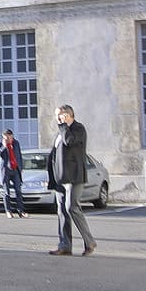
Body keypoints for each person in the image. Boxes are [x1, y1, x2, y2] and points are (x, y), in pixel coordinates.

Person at [46, 104, 96, 256]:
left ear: (68, 115)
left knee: (72, 207)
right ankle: (65, 245)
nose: (57, 118)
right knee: (62, 210)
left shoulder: (77, 129)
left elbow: (69, 141)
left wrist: (64, 126)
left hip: (74, 176)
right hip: (60, 177)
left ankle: (89, 242)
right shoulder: (61, 131)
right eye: (56, 116)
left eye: (59, 115)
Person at [0, 129, 27, 218]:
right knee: (6, 192)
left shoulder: (16, 143)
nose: (8, 139)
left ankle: (21, 211)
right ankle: (8, 211)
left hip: (15, 169)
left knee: (18, 191)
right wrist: (4, 147)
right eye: (5, 138)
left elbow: (19, 155)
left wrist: (20, 168)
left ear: (12, 136)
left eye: (9, 137)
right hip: (5, 170)